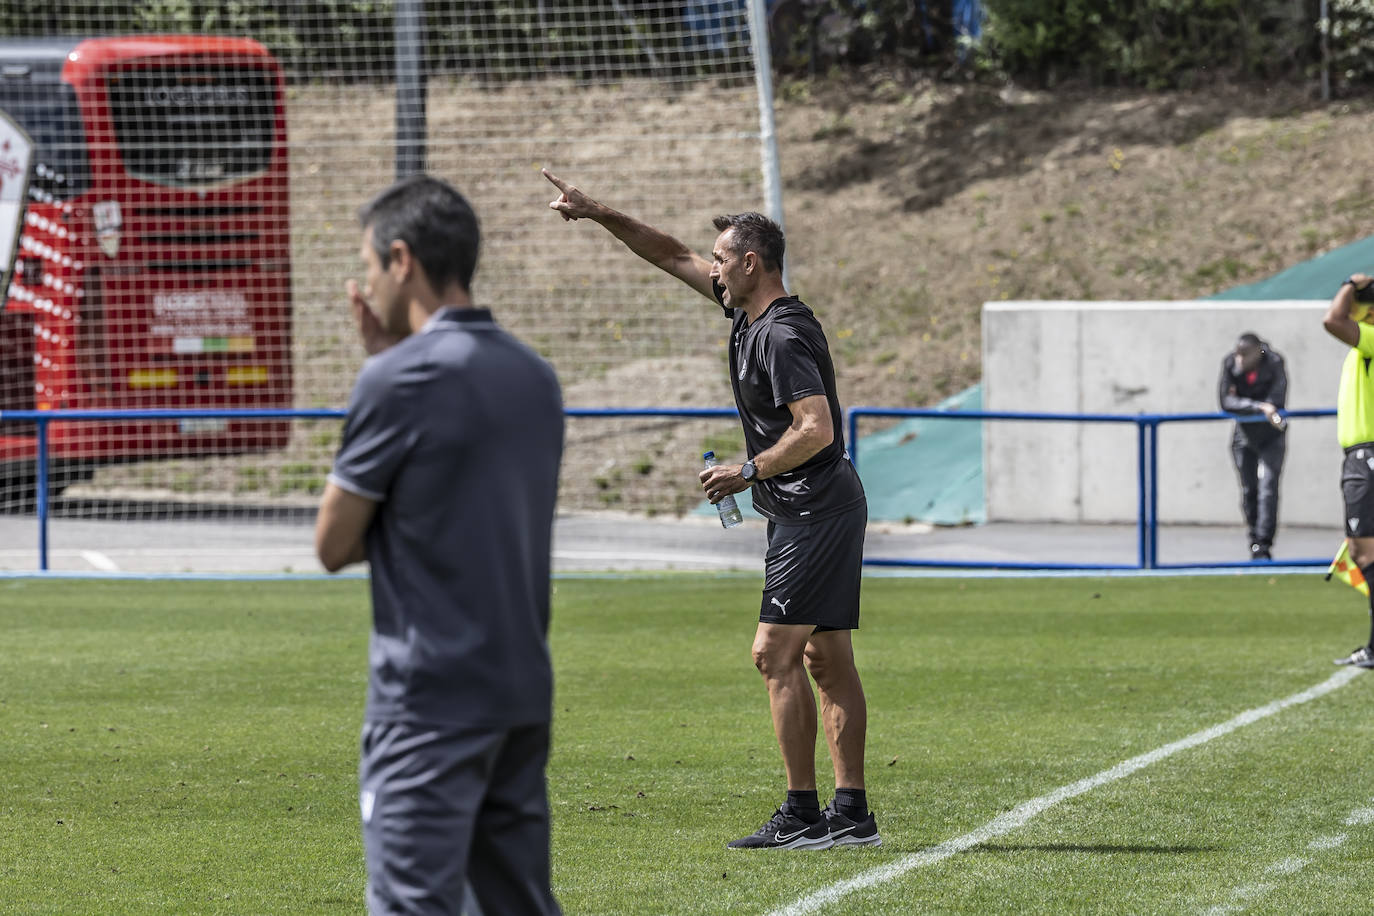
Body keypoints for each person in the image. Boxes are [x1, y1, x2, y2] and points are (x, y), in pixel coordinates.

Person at [543, 168, 879, 850]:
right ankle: (851, 816)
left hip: (813, 507)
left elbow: (817, 429)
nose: (714, 270)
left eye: (723, 260)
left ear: (752, 264)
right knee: (826, 658)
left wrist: (746, 469)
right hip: (813, 506)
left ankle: (802, 814)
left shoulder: (781, 335)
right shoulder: (744, 310)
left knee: (772, 655)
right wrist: (597, 210)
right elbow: (669, 253)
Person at [315, 174, 565, 914]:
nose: (366, 286)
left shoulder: (397, 378)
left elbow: (333, 543)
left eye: (368, 267)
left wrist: (378, 366)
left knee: (412, 903)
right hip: (520, 689)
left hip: (428, 698)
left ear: (401, 260)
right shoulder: (534, 375)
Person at [1323, 273, 1374, 669]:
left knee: (1364, 552)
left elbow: (1332, 320)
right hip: (1362, 458)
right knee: (1363, 552)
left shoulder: (1371, 339)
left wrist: (1348, 284)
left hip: (1367, 459)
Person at [1217, 332, 1288, 561]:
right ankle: (1254, 538)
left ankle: (1263, 545)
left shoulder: (1274, 362)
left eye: (1245, 355)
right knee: (1249, 490)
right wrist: (1258, 407)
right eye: (1238, 354)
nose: (1240, 360)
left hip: (1271, 437)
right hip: (1243, 435)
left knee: (1268, 489)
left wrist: (1262, 407)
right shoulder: (1230, 363)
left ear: (1258, 351)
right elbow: (1226, 401)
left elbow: (1277, 399)